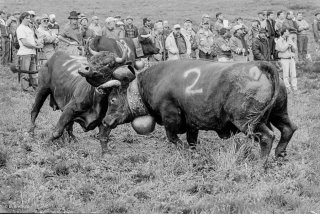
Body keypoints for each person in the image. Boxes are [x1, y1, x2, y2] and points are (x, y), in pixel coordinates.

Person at [16, 12, 43, 91]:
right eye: (27, 18)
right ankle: (25, 89)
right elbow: (24, 42)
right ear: (22, 19)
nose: (29, 20)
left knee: (34, 72)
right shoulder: (20, 28)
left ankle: (36, 88)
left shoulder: (28, 28)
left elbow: (31, 39)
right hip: (25, 54)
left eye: (29, 18)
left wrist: (37, 42)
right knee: (25, 73)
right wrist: (36, 46)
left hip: (32, 53)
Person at [275, 27, 297, 92]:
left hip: (291, 58)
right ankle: (287, 87)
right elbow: (281, 49)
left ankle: (294, 86)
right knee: (286, 74)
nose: (289, 33)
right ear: (284, 32)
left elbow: (295, 48)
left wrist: (292, 46)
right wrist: (288, 45)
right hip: (284, 59)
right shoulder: (279, 40)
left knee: (293, 73)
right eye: (287, 31)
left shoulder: (289, 39)